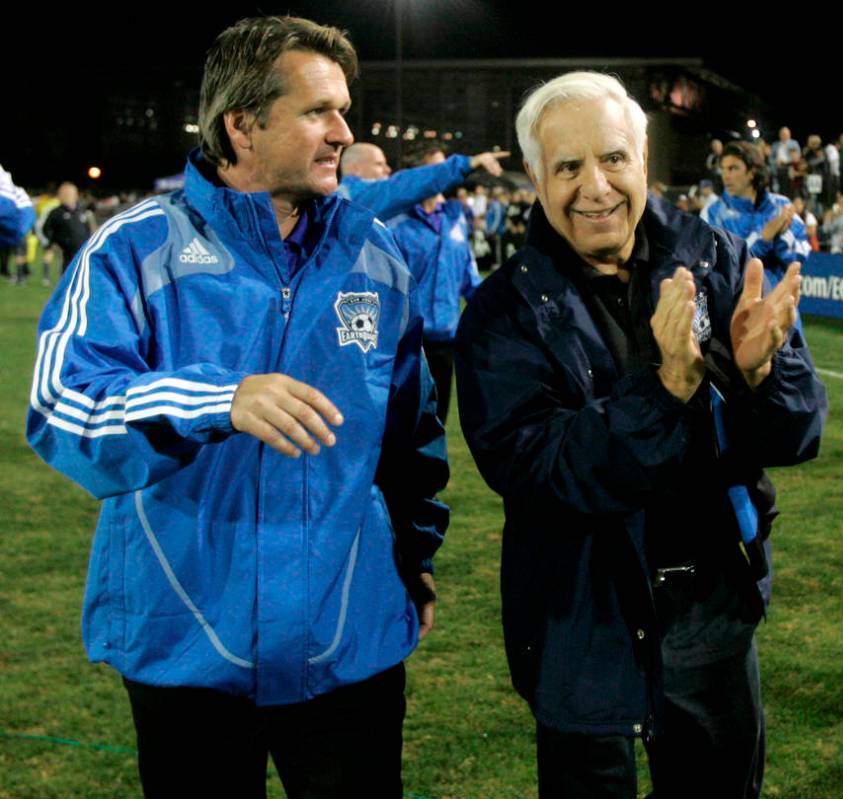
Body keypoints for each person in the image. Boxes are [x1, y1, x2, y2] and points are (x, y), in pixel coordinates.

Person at [25, 17, 449, 797]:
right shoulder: (132, 248)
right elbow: (61, 407)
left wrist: (414, 557)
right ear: (242, 125)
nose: (342, 132)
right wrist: (216, 400)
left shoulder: (376, 257)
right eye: (318, 111)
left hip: (345, 644)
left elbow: (409, 435)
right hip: (188, 648)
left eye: (343, 110)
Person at [453, 71, 827, 798]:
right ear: (535, 174)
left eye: (613, 158)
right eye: (568, 166)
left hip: (711, 611)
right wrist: (663, 391)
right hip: (580, 617)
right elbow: (541, 469)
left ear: (643, 156)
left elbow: (798, 431)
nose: (595, 185)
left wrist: (761, 381)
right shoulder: (501, 314)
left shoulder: (717, 257)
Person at [389, 145, 482, 424]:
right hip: (405, 343)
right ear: (420, 174)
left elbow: (468, 277)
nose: (445, 175)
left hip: (445, 340)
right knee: (402, 426)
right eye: (437, 168)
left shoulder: (455, 220)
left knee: (437, 423)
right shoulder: (397, 222)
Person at [705, 140, 809, 282]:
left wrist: (781, 236)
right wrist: (764, 240)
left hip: (780, 300)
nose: (725, 175)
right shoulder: (712, 213)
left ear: (752, 172)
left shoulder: (781, 206)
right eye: (723, 169)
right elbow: (724, 270)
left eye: (733, 168)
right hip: (738, 303)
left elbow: (798, 259)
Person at [337, 139, 508, 220]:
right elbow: (400, 187)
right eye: (379, 164)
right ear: (355, 168)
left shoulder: (447, 216)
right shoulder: (348, 199)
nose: (387, 169)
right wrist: (466, 164)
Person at [39, 182, 96, 280]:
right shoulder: (56, 213)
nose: (67, 197)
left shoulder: (83, 211)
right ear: (59, 196)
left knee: (82, 277)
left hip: (81, 251)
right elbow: (46, 229)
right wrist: (54, 242)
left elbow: (89, 229)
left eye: (70, 194)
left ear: (76, 195)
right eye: (64, 194)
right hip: (64, 252)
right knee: (65, 278)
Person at [0, 164, 35, 279]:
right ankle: (19, 274)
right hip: (17, 224)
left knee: (19, 252)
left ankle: (21, 274)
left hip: (18, 221)